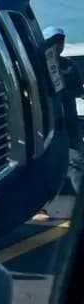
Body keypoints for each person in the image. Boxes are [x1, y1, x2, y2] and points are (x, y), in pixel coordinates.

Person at [44, 27, 84, 194]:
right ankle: (43, 199)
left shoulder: (69, 65)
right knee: (52, 165)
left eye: (61, 40)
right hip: (49, 126)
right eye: (54, 40)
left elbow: (78, 89)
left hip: (70, 124)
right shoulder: (39, 66)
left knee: (76, 163)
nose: (59, 44)